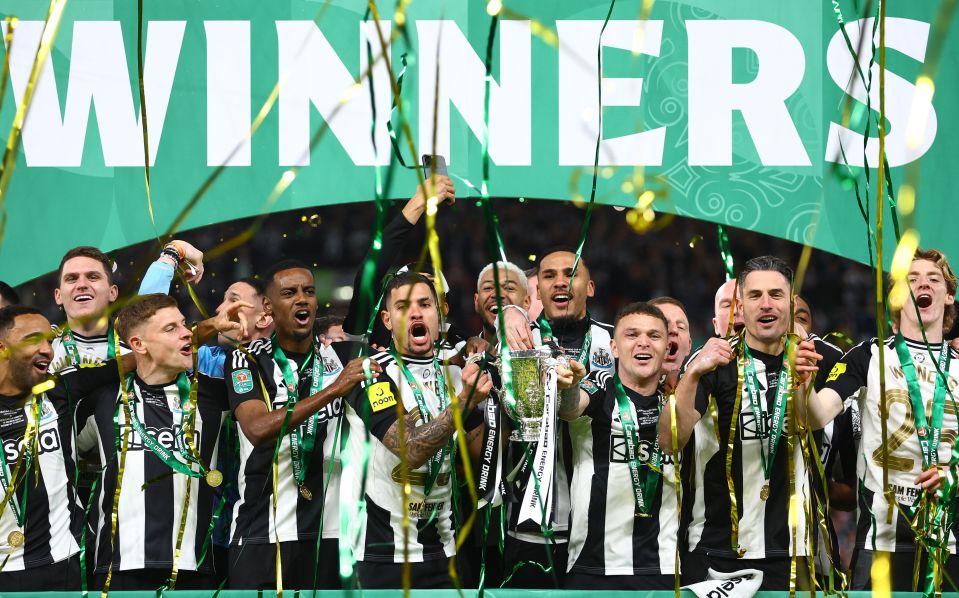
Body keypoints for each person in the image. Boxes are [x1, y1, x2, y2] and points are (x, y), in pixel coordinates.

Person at [660, 256, 820, 590]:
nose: (766, 304)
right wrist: (693, 372)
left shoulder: (816, 359)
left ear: (791, 305)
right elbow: (669, 440)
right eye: (755, 295)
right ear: (741, 307)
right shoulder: (713, 362)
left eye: (776, 295)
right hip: (717, 550)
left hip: (792, 552)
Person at [805, 248, 959, 591]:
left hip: (950, 543)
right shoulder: (867, 356)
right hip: (880, 542)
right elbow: (817, 416)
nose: (924, 284)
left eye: (934, 279)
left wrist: (954, 474)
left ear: (949, 295)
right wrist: (802, 385)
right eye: (912, 279)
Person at [223, 260, 374, 589]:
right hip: (261, 534)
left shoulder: (341, 357)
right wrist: (334, 390)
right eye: (289, 293)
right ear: (268, 306)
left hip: (331, 537)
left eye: (309, 291)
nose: (302, 299)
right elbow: (257, 429)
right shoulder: (247, 359)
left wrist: (472, 345)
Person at [341, 272, 490, 589]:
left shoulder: (456, 374)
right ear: (387, 319)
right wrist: (464, 403)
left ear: (440, 313)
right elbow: (409, 450)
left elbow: (483, 457)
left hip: (445, 551)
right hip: (382, 555)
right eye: (403, 306)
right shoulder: (371, 372)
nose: (415, 313)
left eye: (425, 304)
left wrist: (508, 399)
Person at [78, 294, 230, 590]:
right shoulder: (103, 401)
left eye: (184, 324)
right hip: (117, 569)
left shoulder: (216, 395)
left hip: (193, 567)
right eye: (171, 328)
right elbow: (67, 457)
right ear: (138, 344)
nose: (187, 333)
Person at [0, 306, 125, 590]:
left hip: (67, 561)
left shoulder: (60, 390)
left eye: (49, 340)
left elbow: (132, 360)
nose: (48, 350)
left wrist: (206, 329)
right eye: (34, 339)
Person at [558, 302, 681, 589]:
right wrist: (569, 387)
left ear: (666, 348)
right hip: (593, 566)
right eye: (632, 334)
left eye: (654, 336)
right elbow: (570, 408)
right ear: (613, 347)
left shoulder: (680, 404)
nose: (643, 342)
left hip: (663, 568)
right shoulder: (600, 390)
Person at [50, 243, 203, 373]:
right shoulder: (46, 348)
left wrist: (176, 249)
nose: (82, 285)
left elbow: (150, 302)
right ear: (58, 295)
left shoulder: (139, 339)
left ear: (112, 293)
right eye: (71, 279)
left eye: (93, 277)